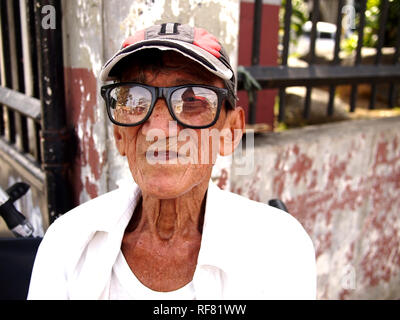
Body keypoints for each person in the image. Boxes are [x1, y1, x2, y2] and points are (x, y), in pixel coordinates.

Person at [28, 23, 316, 300]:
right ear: (119, 134)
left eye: (192, 101)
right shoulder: (68, 241)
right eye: (136, 100)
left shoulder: (279, 247)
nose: (158, 130)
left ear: (229, 133)